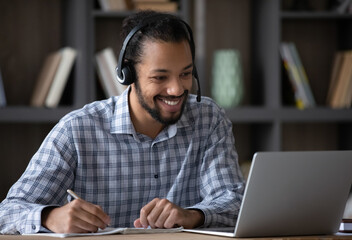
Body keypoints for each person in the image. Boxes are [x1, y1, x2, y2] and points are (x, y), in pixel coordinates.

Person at [0, 10, 244, 234]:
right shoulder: (77, 130)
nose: (176, 89)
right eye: (160, 77)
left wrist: (193, 215)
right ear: (126, 74)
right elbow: (7, 212)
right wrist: (49, 217)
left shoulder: (209, 118)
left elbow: (234, 202)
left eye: (186, 74)